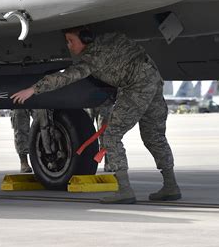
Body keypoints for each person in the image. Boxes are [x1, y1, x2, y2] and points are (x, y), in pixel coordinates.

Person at [11, 27, 181, 204]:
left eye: (71, 41)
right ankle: (171, 185)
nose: (69, 46)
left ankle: (124, 189)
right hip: (153, 78)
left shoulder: (90, 59)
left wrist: (33, 89)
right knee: (154, 136)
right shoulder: (112, 36)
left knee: (112, 135)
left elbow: (66, 77)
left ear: (84, 39)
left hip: (136, 87)